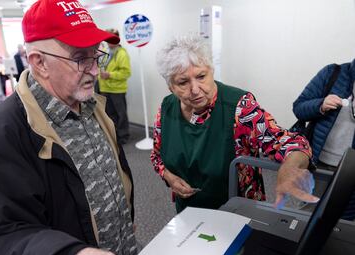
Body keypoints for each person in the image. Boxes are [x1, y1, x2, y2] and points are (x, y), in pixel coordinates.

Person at [0, 1, 138, 255]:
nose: (93, 70)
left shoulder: (93, 105)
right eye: (81, 58)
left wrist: (124, 218)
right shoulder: (7, 129)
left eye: (96, 55)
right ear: (40, 63)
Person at [151, 34, 318, 213]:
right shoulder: (167, 107)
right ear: (170, 86)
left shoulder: (240, 107)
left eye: (201, 76)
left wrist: (289, 168)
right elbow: (157, 156)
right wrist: (168, 177)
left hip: (236, 210)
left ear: (211, 71)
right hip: (188, 210)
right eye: (183, 82)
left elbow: (292, 143)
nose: (195, 89)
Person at [293, 61, 355, 220]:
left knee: (342, 224)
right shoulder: (333, 73)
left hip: (351, 172)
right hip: (318, 164)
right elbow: (299, 107)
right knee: (304, 218)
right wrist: (321, 105)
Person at [98, 29, 131, 145]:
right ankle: (115, 135)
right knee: (110, 114)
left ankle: (123, 136)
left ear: (117, 39)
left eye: (113, 38)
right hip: (105, 89)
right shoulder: (106, 51)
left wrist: (110, 75)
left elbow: (126, 73)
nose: (109, 41)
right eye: (108, 38)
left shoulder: (122, 54)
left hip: (117, 90)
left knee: (121, 114)